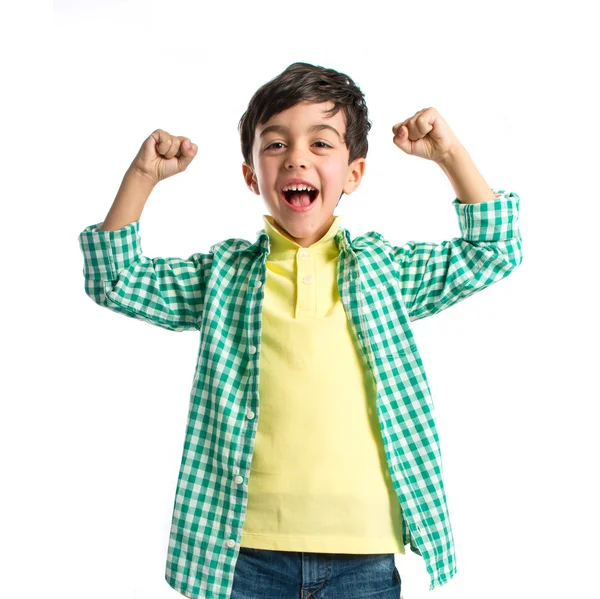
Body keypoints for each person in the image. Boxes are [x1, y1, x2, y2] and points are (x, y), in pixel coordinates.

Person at [78, 61, 522, 599]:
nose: (297, 158)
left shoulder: (386, 270)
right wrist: (142, 178)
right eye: (275, 145)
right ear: (251, 176)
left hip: (364, 555)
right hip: (244, 556)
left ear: (353, 173)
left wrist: (450, 155)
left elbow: (494, 250)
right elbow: (116, 279)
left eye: (321, 144)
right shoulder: (225, 275)